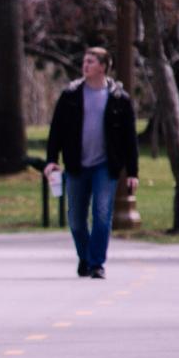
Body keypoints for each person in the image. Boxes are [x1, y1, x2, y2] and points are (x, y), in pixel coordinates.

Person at [44, 47, 139, 280]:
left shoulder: (119, 98)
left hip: (105, 166)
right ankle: (85, 257)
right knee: (76, 220)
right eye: (84, 61)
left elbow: (129, 138)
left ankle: (96, 263)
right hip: (77, 164)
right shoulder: (71, 95)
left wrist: (132, 172)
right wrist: (51, 160)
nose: (85, 65)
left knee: (102, 213)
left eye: (90, 61)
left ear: (103, 66)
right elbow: (56, 130)